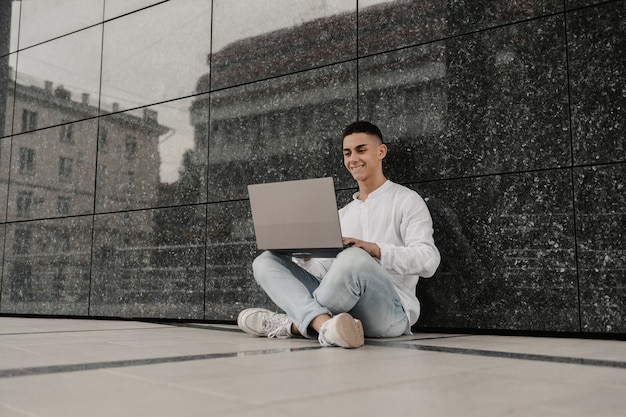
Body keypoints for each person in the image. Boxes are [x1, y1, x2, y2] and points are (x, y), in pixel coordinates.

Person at [238, 121, 441, 348]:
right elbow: (327, 274)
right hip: (342, 307)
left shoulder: (406, 200)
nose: (353, 159)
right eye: (347, 153)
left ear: (381, 151)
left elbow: (429, 260)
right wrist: (305, 259)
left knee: (353, 257)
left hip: (391, 315)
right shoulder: (342, 215)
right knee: (265, 261)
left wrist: (374, 249)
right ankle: (326, 326)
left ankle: (294, 324)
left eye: (361, 150)